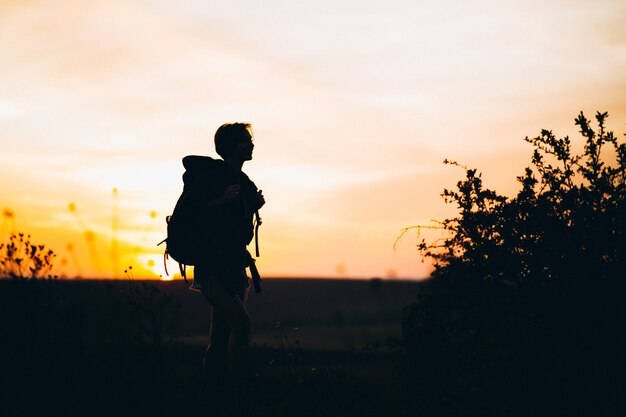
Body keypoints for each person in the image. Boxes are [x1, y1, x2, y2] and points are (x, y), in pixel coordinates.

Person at [180, 122, 264, 391]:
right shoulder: (211, 178)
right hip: (212, 266)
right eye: (244, 141)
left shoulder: (245, 182)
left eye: (249, 140)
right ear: (230, 146)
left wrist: (254, 204)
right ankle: (241, 390)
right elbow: (186, 215)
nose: (250, 144)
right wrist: (221, 200)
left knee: (222, 336)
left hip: (235, 265)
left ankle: (211, 392)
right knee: (242, 325)